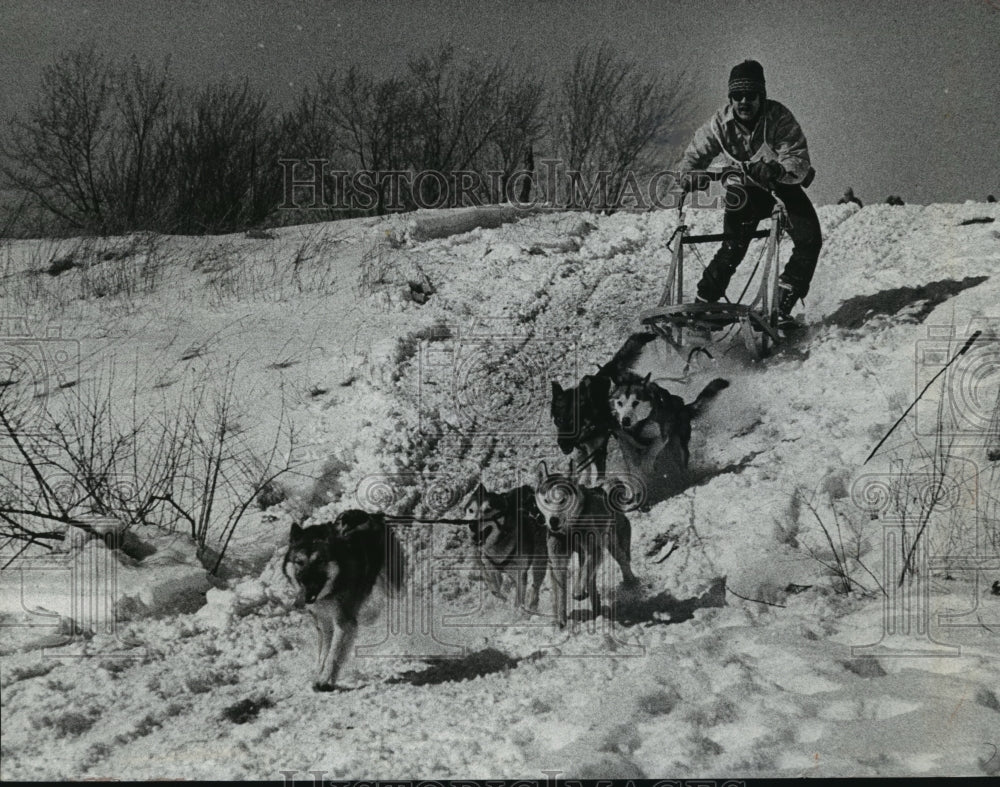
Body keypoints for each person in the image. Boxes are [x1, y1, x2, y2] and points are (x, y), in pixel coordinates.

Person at [677, 60, 822, 326]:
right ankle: (703, 303)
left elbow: (798, 159)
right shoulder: (718, 125)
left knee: (809, 238)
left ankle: (784, 298)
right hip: (742, 190)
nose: (744, 102)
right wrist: (691, 177)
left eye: (751, 96)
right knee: (733, 247)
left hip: (780, 187)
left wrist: (778, 170)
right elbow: (692, 158)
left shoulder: (779, 118)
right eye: (737, 96)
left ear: (761, 96)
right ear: (730, 98)